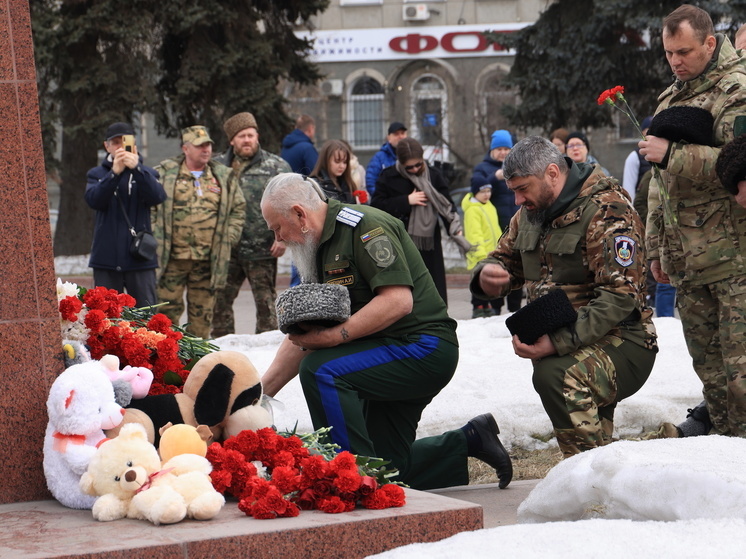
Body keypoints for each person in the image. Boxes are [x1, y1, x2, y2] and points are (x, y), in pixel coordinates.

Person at [259, 173, 512, 490]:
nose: (279, 239)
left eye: (277, 228)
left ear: (299, 214)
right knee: (388, 467)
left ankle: (349, 480)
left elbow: (398, 301)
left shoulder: (364, 227)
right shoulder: (316, 248)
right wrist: (257, 395)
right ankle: (470, 440)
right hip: (382, 352)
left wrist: (333, 339)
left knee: (323, 370)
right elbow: (304, 336)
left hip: (423, 347)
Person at [471, 136, 658, 457]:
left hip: (625, 339)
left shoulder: (607, 209)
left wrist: (557, 342)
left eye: (522, 189)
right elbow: (504, 260)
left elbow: (620, 297)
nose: (517, 200)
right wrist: (487, 275)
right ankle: (609, 470)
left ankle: (585, 478)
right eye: (512, 190)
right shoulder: (530, 212)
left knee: (557, 375)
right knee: (590, 421)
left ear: (553, 174)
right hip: (573, 337)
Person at [639, 4, 746, 438]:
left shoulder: (735, 90)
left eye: (683, 51)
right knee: (712, 375)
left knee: (741, 376)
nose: (675, 61)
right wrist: (655, 246)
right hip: (687, 260)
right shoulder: (672, 95)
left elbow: (737, 163)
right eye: (668, 54)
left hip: (732, 259)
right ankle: (722, 458)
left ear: (708, 42)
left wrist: (672, 153)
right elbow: (658, 183)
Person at [152, 126, 246, 339]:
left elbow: (238, 209)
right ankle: (168, 361)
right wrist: (153, 236)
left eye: (208, 145)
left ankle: (197, 364)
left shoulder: (223, 176)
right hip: (172, 260)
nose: (206, 149)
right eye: (199, 145)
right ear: (185, 148)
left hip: (207, 260)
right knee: (165, 315)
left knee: (202, 317)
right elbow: (151, 207)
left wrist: (229, 237)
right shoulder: (165, 174)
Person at [211, 112, 291, 336]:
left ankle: (266, 353)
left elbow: (291, 203)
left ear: (257, 136)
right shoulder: (216, 167)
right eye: (241, 136)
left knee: (267, 308)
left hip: (262, 250)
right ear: (231, 140)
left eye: (251, 135)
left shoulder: (276, 166)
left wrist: (282, 238)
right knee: (219, 304)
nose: (247, 140)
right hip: (227, 251)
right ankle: (222, 350)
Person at [371, 137, 470, 305]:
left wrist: (454, 229)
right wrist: (406, 200)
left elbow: (446, 206)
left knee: (433, 281)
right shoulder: (388, 176)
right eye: (409, 167)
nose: (415, 169)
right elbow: (377, 206)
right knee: (408, 283)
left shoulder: (434, 175)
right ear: (400, 163)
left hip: (429, 240)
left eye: (418, 164)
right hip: (401, 239)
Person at [84, 122, 166, 307]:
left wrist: (136, 169)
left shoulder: (147, 173)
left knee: (145, 316)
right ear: (107, 146)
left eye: (125, 142)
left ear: (134, 144)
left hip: (140, 258)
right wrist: (114, 174)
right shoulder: (97, 174)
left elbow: (158, 197)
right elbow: (94, 201)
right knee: (104, 317)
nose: (121, 148)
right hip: (106, 259)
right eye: (115, 143)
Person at [470, 129, 522, 314]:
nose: (503, 153)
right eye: (499, 149)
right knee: (497, 269)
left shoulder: (516, 165)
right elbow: (476, 188)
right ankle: (495, 310)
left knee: (516, 269)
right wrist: (494, 178)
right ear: (492, 150)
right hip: (494, 230)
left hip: (515, 227)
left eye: (506, 149)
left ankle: (516, 310)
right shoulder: (483, 168)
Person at [633, 169, 676, 318]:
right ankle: (666, 322)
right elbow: (642, 202)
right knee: (666, 283)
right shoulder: (654, 172)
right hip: (668, 236)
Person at [462, 184, 501, 318]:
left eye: (488, 191)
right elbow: (474, 235)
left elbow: (495, 229)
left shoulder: (489, 206)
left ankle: (486, 305)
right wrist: (481, 255)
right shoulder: (472, 210)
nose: (486, 194)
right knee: (479, 281)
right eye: (482, 191)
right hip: (480, 254)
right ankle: (478, 307)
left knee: (488, 283)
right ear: (474, 193)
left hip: (492, 252)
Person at [365, 121, 408, 197]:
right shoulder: (379, 158)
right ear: (389, 137)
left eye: (402, 133)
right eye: (396, 134)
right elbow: (371, 183)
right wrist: (384, 199)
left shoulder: (411, 155)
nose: (400, 137)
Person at [310, 139, 357, 203]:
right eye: (337, 161)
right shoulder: (315, 185)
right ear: (326, 160)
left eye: (345, 162)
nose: (342, 166)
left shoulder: (347, 182)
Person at [621, 116, 654, 202]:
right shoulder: (635, 156)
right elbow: (628, 189)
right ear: (642, 132)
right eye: (649, 130)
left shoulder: (667, 154)